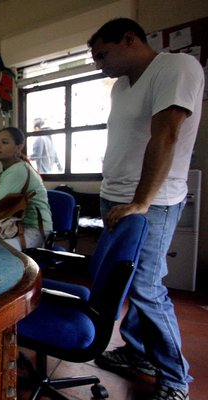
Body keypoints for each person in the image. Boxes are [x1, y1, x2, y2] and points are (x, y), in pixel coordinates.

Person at [88, 18, 204, 400]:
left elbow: (167, 134)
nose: (98, 63)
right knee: (130, 280)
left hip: (151, 201)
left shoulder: (176, 67)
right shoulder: (121, 86)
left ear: (129, 38)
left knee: (146, 288)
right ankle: (139, 355)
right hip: (116, 195)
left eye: (102, 54)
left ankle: (174, 378)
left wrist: (140, 201)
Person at [0, 127, 53, 251]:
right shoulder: (11, 169)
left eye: (5, 142)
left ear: (19, 147)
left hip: (35, 231)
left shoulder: (18, 170)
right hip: (18, 227)